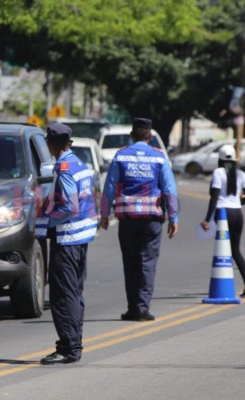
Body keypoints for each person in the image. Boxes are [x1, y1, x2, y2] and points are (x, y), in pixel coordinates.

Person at [100, 117, 179, 322]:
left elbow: (109, 188)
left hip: (127, 219)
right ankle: (142, 308)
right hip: (152, 219)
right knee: (148, 262)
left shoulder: (121, 156)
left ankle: (132, 308)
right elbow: (169, 190)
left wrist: (104, 215)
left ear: (132, 134)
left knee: (131, 262)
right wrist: (174, 217)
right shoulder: (159, 158)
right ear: (150, 136)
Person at [35, 123, 97, 365]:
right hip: (80, 237)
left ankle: (68, 348)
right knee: (74, 293)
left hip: (67, 238)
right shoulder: (79, 163)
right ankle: (74, 344)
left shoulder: (64, 168)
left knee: (63, 295)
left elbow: (70, 207)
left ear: (53, 144)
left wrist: (48, 221)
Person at [201, 144, 245, 297]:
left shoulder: (218, 172)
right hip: (237, 213)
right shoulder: (241, 174)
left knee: (224, 249)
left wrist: (207, 219)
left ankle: (225, 282)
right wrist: (236, 204)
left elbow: (215, 197)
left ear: (220, 159)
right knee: (235, 250)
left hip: (223, 213)